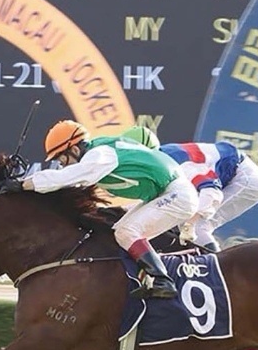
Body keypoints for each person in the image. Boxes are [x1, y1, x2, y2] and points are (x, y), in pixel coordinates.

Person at [10, 120, 195, 298]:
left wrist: (24, 184)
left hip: (176, 194)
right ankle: (142, 280)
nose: (62, 164)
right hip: (165, 193)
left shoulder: (100, 154)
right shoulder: (100, 151)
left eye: (62, 158)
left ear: (74, 149)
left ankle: (163, 281)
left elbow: (68, 177)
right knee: (119, 233)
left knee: (127, 232)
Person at [160, 139, 258, 251]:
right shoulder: (161, 157)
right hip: (234, 172)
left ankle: (217, 262)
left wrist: (190, 224)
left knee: (197, 226)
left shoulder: (179, 165)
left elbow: (211, 191)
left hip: (245, 179)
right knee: (183, 222)